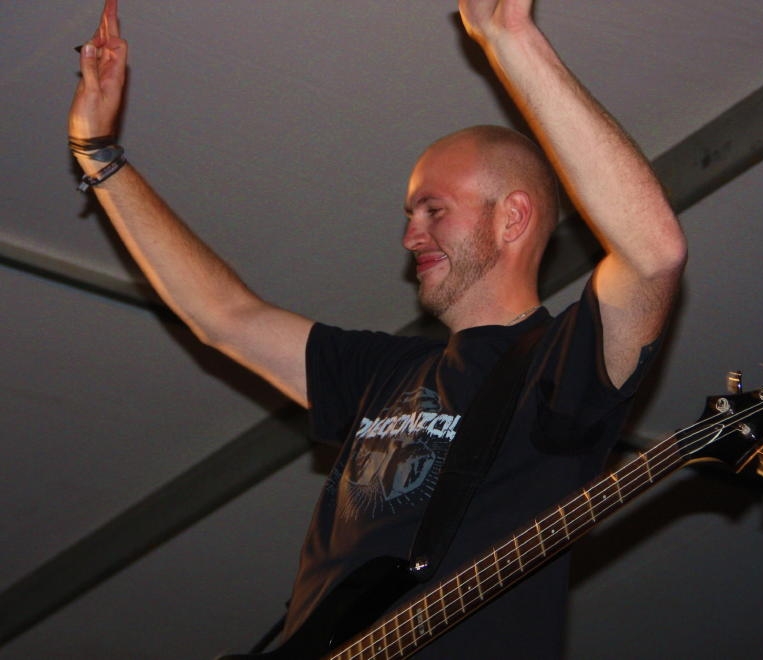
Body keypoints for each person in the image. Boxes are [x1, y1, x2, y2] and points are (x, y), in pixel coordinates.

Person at [69, 1, 687, 657]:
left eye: (434, 210)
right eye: (410, 214)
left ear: (512, 218)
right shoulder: (386, 373)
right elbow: (225, 317)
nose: (410, 235)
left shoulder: (559, 371)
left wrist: (509, 37)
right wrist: (98, 154)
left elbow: (653, 255)